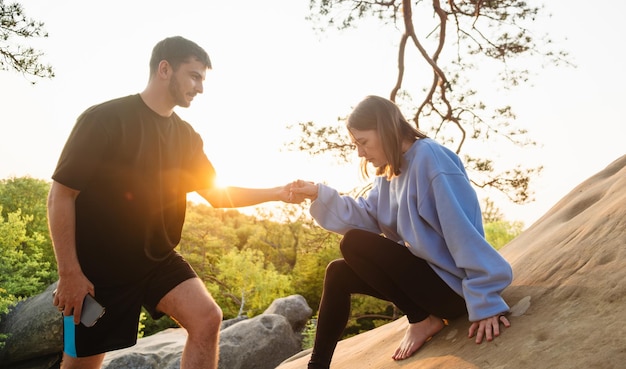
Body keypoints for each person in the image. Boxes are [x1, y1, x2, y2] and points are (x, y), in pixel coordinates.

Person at [47, 36, 296, 369]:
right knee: (81, 366)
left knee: (207, 318)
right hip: (99, 272)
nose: (200, 88)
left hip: (156, 260)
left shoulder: (186, 137)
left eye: (202, 79)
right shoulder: (104, 119)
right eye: (194, 76)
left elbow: (218, 194)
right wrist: (70, 273)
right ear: (165, 69)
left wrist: (277, 192)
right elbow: (61, 195)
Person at [290, 95, 513, 368]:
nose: (360, 152)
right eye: (356, 144)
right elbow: (366, 216)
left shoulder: (431, 159)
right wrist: (317, 192)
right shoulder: (389, 174)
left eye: (363, 142)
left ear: (385, 129)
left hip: (452, 290)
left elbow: (462, 232)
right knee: (338, 272)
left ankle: (421, 320)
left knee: (354, 243)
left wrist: (486, 299)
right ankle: (317, 366)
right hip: (428, 284)